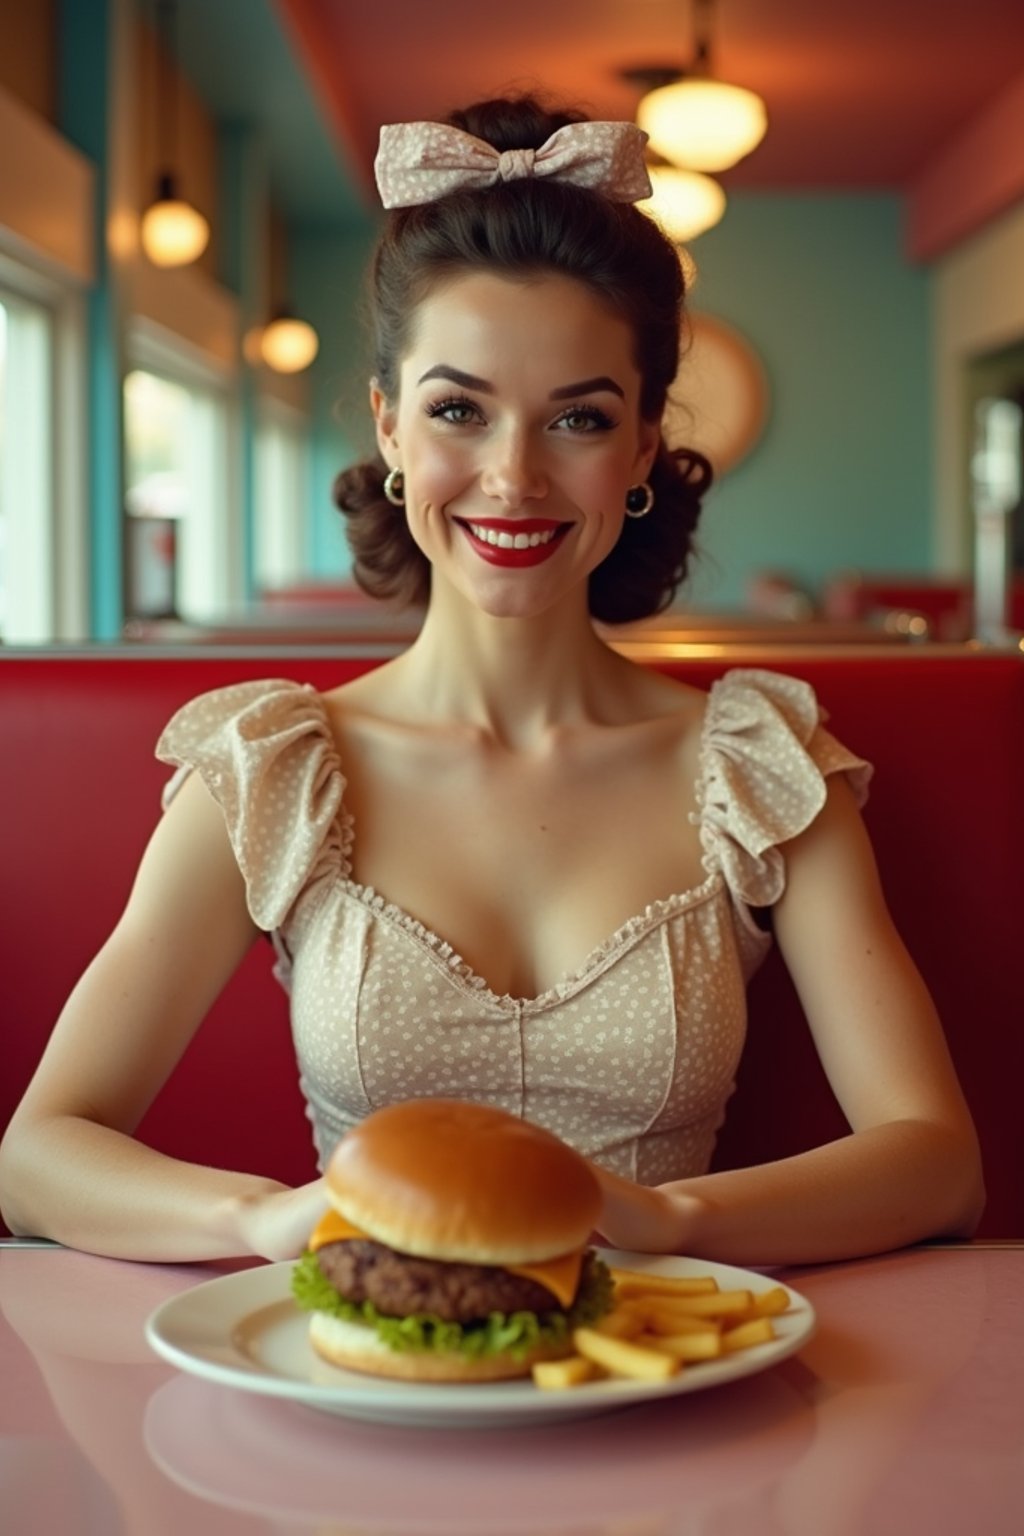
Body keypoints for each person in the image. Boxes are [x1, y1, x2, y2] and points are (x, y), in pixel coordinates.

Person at [0, 95, 983, 1266]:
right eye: (458, 409)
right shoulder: (271, 769)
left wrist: (664, 1220)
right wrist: (270, 1219)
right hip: (363, 1383)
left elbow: (936, 1160)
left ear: (638, 451)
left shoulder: (758, 762)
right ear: (391, 429)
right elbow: (37, 1156)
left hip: (677, 1379)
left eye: (577, 417)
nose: (512, 478)